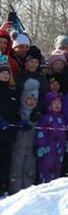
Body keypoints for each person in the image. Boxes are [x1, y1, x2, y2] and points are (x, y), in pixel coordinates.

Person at [8, 78, 39, 194]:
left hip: (31, 148)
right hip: (18, 148)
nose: (31, 102)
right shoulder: (17, 113)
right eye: (28, 99)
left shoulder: (37, 115)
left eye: (34, 99)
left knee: (29, 169)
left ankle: (28, 191)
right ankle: (15, 191)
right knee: (16, 168)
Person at [35, 90, 68, 183]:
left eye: (59, 103)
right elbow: (41, 131)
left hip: (60, 149)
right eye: (55, 103)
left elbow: (64, 132)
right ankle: (44, 184)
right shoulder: (46, 118)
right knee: (47, 168)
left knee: (57, 168)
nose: (57, 105)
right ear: (49, 105)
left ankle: (55, 186)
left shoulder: (62, 118)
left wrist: (66, 143)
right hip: (48, 149)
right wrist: (41, 145)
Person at [0, 61, 19, 193]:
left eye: (8, 72)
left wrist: (19, 122)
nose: (5, 75)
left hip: (8, 134)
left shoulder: (12, 91)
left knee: (5, 162)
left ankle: (3, 186)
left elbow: (15, 110)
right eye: (2, 72)